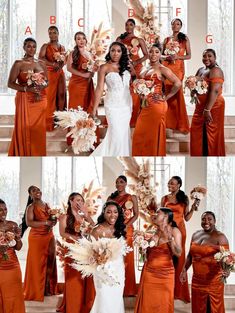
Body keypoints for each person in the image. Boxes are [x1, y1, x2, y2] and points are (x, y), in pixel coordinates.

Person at [132, 43, 181, 156]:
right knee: (139, 135)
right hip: (145, 105)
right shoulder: (145, 68)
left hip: (156, 105)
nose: (153, 54)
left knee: (152, 136)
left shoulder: (162, 69)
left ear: (160, 55)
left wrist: (165, 96)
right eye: (151, 51)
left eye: (156, 52)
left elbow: (177, 83)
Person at [134, 208, 182, 313]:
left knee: (163, 302)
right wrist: (143, 246)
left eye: (158, 213)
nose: (155, 215)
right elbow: (147, 253)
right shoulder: (153, 229)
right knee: (148, 302)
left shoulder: (174, 231)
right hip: (149, 273)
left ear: (165, 217)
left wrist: (170, 240)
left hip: (166, 274)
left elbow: (178, 253)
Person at [181, 211, 230, 313]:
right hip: (197, 280)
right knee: (198, 307)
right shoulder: (195, 235)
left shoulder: (220, 237)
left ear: (215, 221)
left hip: (213, 281)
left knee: (213, 309)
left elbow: (227, 258)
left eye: (209, 219)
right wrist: (184, 269)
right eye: (203, 219)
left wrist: (227, 271)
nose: (206, 221)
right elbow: (190, 255)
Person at [161, 176, 199, 303]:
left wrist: (193, 207)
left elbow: (187, 218)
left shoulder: (184, 199)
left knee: (179, 258)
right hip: (167, 230)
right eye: (169, 183)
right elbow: (161, 216)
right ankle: (167, 288)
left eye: (172, 183)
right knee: (167, 257)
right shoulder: (164, 198)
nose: (169, 185)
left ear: (179, 185)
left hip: (180, 231)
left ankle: (179, 292)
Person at [91, 42, 133, 156]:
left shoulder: (127, 66)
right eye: (113, 50)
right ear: (109, 52)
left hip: (126, 104)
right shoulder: (104, 67)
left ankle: (123, 154)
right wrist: (94, 109)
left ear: (122, 53)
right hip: (112, 105)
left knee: (124, 134)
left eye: (118, 51)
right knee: (116, 133)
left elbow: (135, 80)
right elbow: (99, 88)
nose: (115, 53)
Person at [8, 37, 48, 156]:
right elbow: (10, 83)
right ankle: (25, 153)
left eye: (34, 46)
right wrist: (27, 89)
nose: (32, 49)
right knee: (24, 127)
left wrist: (39, 88)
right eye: (29, 46)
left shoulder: (41, 63)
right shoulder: (18, 63)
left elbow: (47, 82)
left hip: (40, 100)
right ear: (24, 47)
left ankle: (37, 154)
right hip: (25, 98)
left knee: (38, 130)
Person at [57, 192, 95, 313]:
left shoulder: (83, 217)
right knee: (74, 278)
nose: (80, 203)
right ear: (71, 201)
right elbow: (62, 233)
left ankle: (85, 305)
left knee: (85, 276)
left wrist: (86, 214)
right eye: (77, 200)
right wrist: (76, 238)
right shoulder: (64, 217)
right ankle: (73, 305)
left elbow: (94, 226)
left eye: (82, 201)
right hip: (72, 250)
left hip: (85, 250)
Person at [90, 201, 126, 313]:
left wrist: (123, 268)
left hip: (119, 270)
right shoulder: (97, 230)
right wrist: (100, 258)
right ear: (104, 213)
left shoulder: (120, 229)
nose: (112, 215)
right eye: (109, 212)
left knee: (116, 297)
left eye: (115, 212)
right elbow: (91, 252)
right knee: (104, 297)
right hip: (103, 270)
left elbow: (122, 251)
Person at [24, 186, 57, 301]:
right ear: (30, 195)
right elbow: (29, 222)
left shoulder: (47, 205)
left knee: (51, 259)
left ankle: (47, 287)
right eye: (34, 191)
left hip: (49, 235)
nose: (37, 192)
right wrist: (46, 222)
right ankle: (37, 289)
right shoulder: (30, 207)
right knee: (37, 263)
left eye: (38, 189)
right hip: (36, 237)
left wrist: (54, 220)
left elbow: (52, 220)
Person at [190, 49, 225, 156]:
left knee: (209, 134)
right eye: (204, 56)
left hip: (213, 106)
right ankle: (199, 154)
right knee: (197, 132)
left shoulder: (216, 70)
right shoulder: (201, 70)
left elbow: (214, 90)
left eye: (210, 56)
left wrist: (207, 109)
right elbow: (195, 84)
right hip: (200, 106)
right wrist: (193, 90)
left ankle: (208, 155)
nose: (206, 58)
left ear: (215, 58)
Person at [108, 175, 138, 296]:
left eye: (121, 182)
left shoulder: (132, 197)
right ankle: (114, 287)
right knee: (114, 257)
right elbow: (106, 214)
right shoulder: (111, 198)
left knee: (127, 257)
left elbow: (136, 214)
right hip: (113, 229)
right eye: (117, 182)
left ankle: (129, 289)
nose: (119, 184)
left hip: (127, 229)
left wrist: (126, 226)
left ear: (126, 183)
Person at [117, 18, 148, 126]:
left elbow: (147, 55)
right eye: (127, 25)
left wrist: (136, 62)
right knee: (123, 90)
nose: (128, 27)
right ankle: (123, 116)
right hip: (123, 66)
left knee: (135, 90)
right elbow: (114, 52)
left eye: (131, 24)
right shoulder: (119, 39)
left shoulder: (139, 40)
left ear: (134, 26)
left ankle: (135, 117)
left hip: (136, 67)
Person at [162, 18, 191, 134]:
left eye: (178, 24)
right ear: (171, 25)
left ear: (181, 26)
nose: (175, 25)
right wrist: (167, 57)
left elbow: (189, 56)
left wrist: (177, 57)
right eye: (174, 24)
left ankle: (179, 124)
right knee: (166, 89)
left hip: (178, 68)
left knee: (177, 91)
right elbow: (162, 55)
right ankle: (167, 122)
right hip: (167, 66)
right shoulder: (166, 39)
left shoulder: (184, 39)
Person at [39, 26, 67, 131]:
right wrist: (52, 64)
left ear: (58, 33)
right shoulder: (45, 46)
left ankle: (61, 119)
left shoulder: (62, 47)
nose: (52, 35)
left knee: (61, 94)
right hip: (50, 73)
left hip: (60, 73)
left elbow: (64, 60)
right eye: (50, 33)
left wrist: (61, 64)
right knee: (50, 96)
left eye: (54, 32)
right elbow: (40, 58)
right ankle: (50, 120)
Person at [0, 199, 25, 313]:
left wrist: (18, 238)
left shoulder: (13, 225)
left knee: (14, 294)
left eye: (5, 209)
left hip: (13, 265)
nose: (4, 212)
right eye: (0, 210)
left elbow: (18, 247)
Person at [67, 32, 95, 112]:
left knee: (88, 105)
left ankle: (86, 124)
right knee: (76, 106)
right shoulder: (72, 53)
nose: (81, 40)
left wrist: (93, 72)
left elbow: (93, 68)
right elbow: (69, 68)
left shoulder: (90, 54)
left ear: (86, 40)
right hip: (76, 84)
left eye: (83, 38)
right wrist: (83, 75)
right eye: (78, 39)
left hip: (88, 83)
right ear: (75, 41)